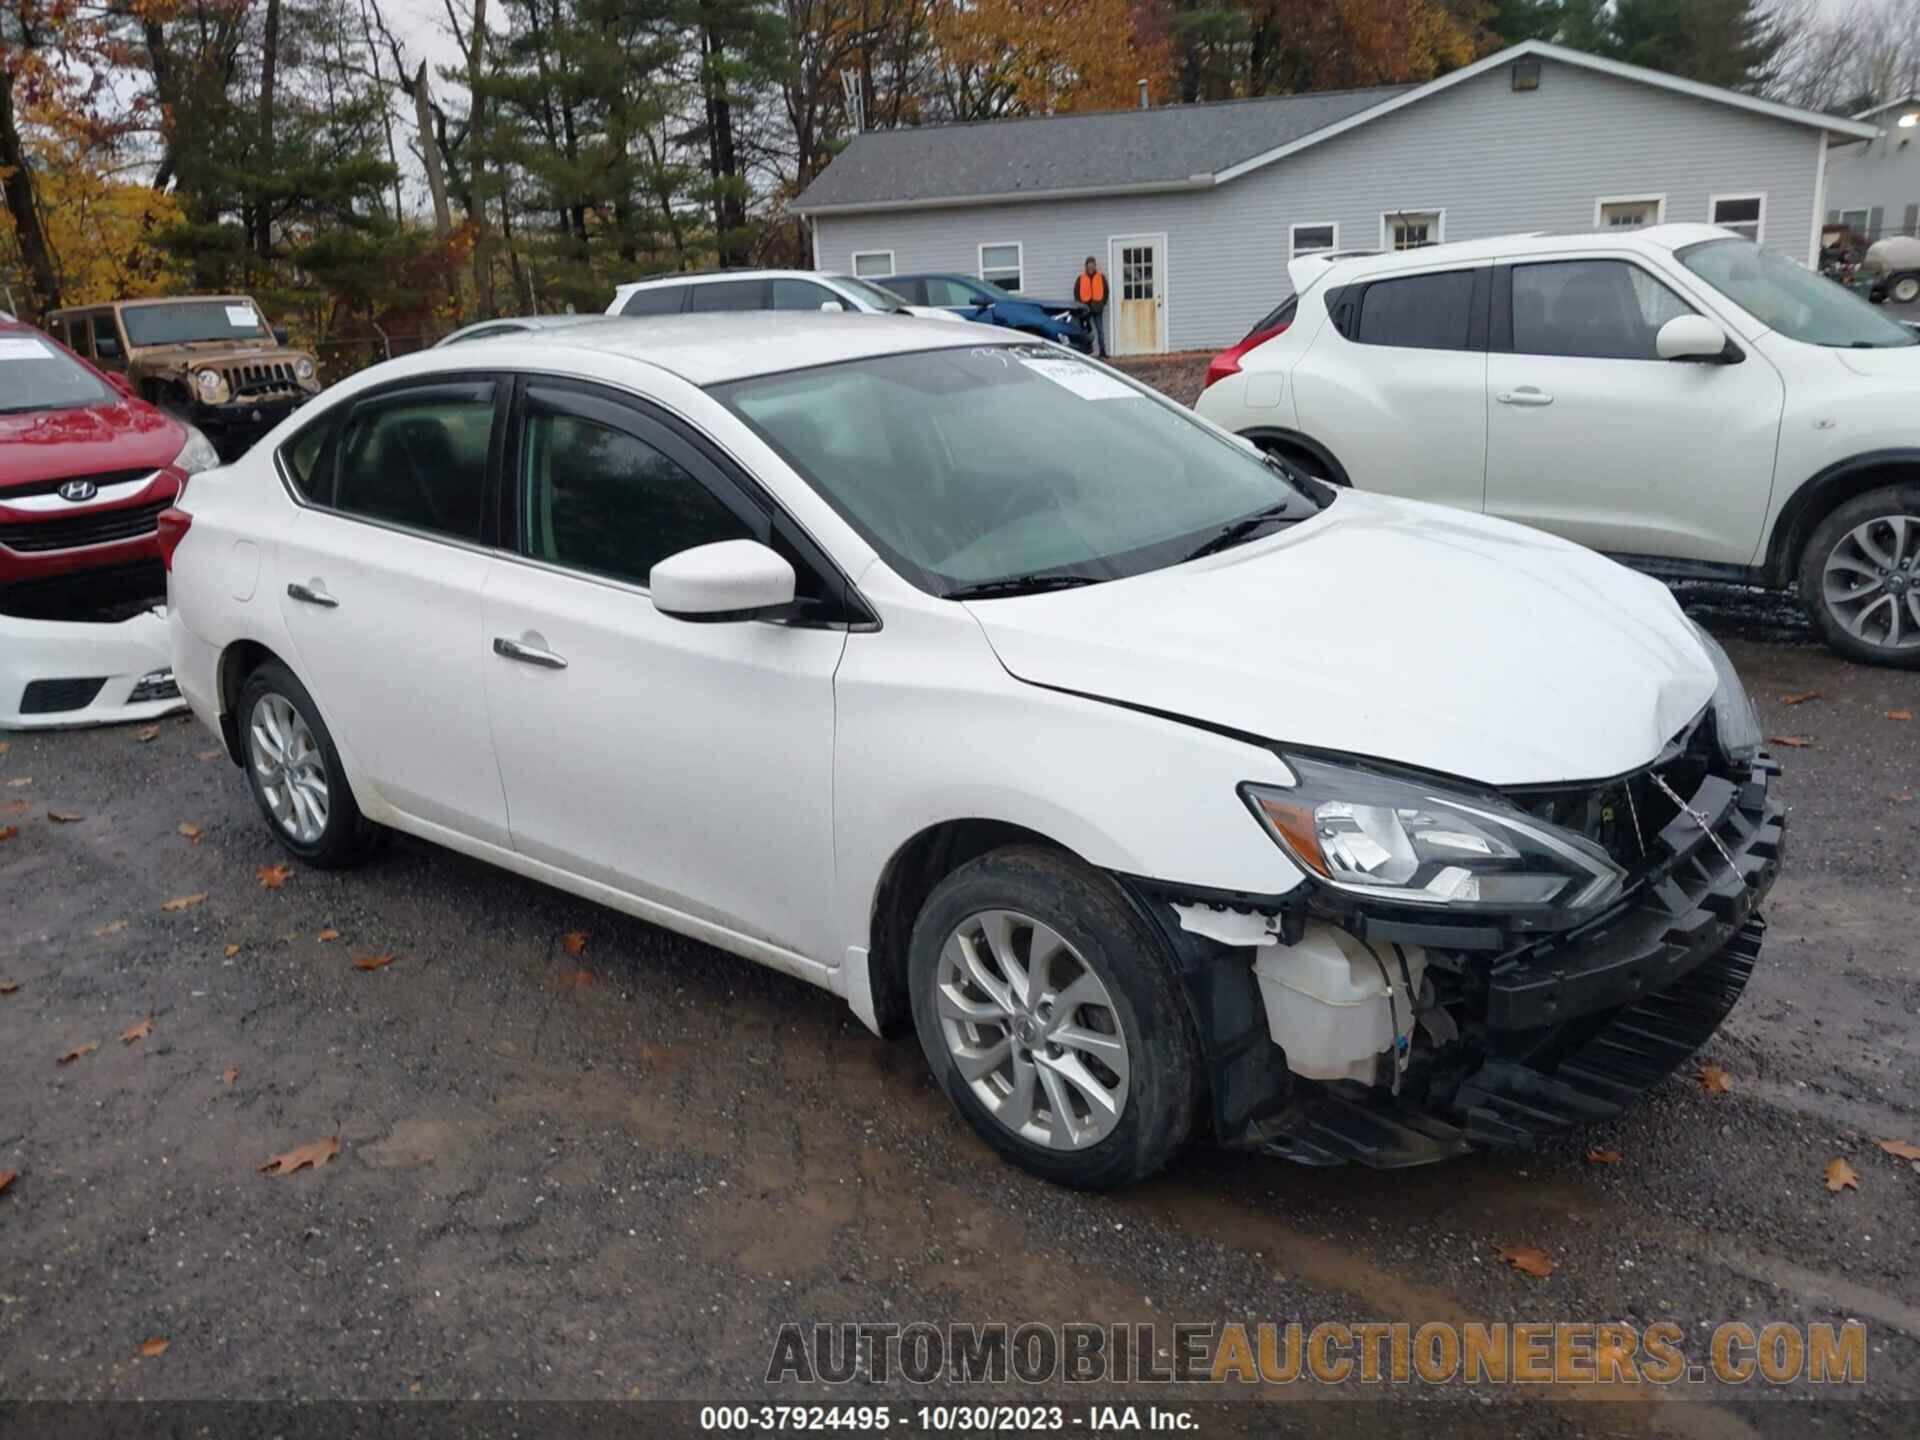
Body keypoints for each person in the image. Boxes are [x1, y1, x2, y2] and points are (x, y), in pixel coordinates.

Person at [1074, 256, 1109, 357]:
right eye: (1089, 265)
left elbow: (1106, 292)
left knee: (1100, 331)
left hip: (1098, 308)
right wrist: (1080, 306)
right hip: (1085, 309)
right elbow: (1076, 293)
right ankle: (1085, 353)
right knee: (1085, 332)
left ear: (1095, 266)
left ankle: (1102, 352)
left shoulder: (1101, 277)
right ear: (1086, 266)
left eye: (1092, 265)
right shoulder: (1080, 278)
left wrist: (1102, 304)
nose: (1091, 267)